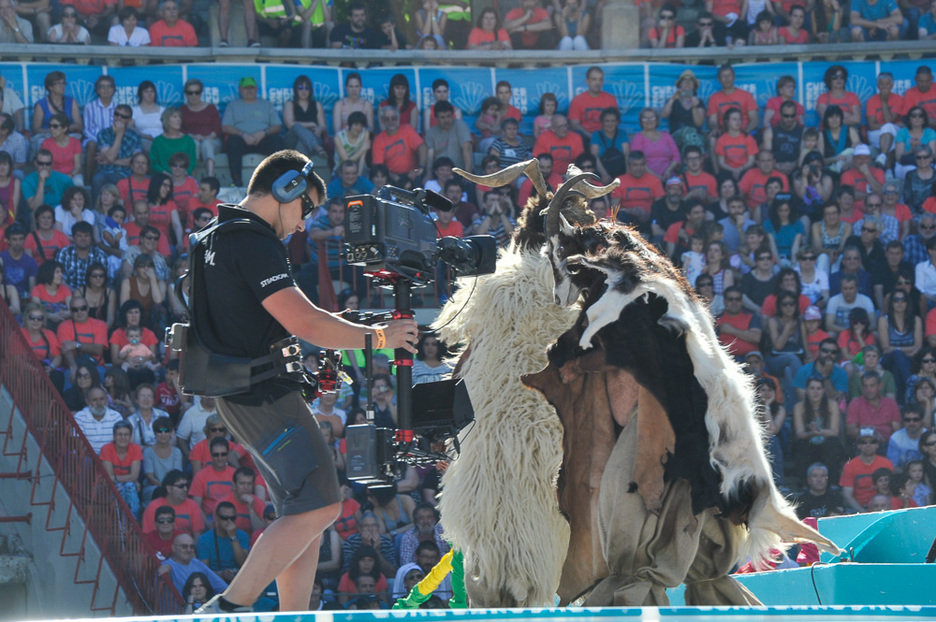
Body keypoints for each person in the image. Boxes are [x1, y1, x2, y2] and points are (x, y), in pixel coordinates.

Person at [190, 150, 416, 614]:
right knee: (323, 509)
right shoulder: (253, 241)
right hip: (264, 394)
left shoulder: (216, 236)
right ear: (285, 188)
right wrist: (379, 336)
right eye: (304, 208)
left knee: (303, 515)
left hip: (244, 392)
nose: (302, 225)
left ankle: (293, 615)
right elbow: (304, 323)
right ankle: (227, 609)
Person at [221, 78, 285, 188]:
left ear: (256, 89)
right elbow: (225, 127)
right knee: (232, 142)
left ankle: (277, 179)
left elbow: (277, 127)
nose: (249, 91)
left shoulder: (266, 104)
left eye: (251, 88)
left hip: (262, 139)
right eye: (246, 88)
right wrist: (243, 134)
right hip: (241, 139)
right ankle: (236, 181)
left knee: (277, 141)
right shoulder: (233, 105)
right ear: (240, 90)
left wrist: (263, 133)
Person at [793, 376, 846, 482]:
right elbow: (799, 434)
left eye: (819, 388)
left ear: (823, 391)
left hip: (827, 444)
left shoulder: (832, 405)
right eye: (812, 388)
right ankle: (803, 484)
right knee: (801, 444)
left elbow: (834, 432)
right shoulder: (799, 407)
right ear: (807, 391)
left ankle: (833, 483)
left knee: (833, 442)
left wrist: (818, 432)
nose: (815, 392)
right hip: (808, 444)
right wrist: (811, 433)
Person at [840, 427, 896, 511]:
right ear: (858, 446)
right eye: (863, 442)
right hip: (859, 507)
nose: (868, 445)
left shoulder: (887, 463)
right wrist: (863, 512)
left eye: (872, 442)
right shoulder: (850, 465)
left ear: (877, 445)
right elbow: (847, 495)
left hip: (882, 506)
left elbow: (892, 490)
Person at [197, 502, 250, 583]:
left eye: (232, 518)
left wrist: (233, 536)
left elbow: (243, 563)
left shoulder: (242, 536)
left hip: (239, 580)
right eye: (224, 517)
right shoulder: (204, 539)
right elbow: (204, 571)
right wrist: (220, 574)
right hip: (215, 581)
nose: (229, 521)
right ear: (216, 518)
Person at [159, 533, 228, 596]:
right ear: (174, 548)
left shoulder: (197, 563)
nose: (189, 550)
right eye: (184, 546)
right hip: (180, 608)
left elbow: (222, 587)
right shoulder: (166, 566)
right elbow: (165, 570)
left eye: (191, 547)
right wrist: (167, 568)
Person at [372, 107, 426, 186]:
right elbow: (379, 166)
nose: (391, 121)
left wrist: (420, 168)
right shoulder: (378, 140)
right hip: (391, 176)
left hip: (412, 174)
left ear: (398, 118)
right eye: (387, 119)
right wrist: (394, 177)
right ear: (383, 121)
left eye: (393, 118)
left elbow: (422, 147)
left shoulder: (407, 129)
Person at [143, 470, 206, 535]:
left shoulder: (193, 505)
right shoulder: (153, 507)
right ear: (169, 488)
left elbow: (198, 536)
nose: (185, 489)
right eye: (180, 486)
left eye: (186, 486)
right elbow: (149, 536)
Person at [283, 75, 327, 166]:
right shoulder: (290, 104)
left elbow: (323, 126)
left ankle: (299, 171)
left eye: (306, 88)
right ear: (296, 89)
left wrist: (319, 129)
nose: (303, 91)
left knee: (302, 143)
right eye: (300, 88)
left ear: (310, 90)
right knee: (296, 126)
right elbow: (290, 125)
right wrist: (311, 124)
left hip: (312, 137)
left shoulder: (317, 104)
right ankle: (317, 148)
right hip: (292, 139)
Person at [630, 108, 680, 180]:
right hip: (646, 178)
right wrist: (656, 178)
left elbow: (676, 157)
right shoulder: (638, 138)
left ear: (657, 120)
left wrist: (669, 170)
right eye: (645, 119)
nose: (649, 121)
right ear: (641, 121)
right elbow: (637, 160)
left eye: (652, 118)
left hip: (669, 177)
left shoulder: (667, 136)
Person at [73, 387, 124, 454]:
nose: (99, 403)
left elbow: (120, 443)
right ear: (87, 402)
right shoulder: (79, 417)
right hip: (87, 459)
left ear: (107, 400)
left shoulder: (116, 416)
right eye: (94, 400)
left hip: (110, 458)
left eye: (102, 399)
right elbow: (79, 448)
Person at [143, 416, 183, 502]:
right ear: (155, 433)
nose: (163, 434)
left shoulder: (177, 452)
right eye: (160, 431)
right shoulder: (148, 452)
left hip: (173, 487)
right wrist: (165, 487)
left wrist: (170, 488)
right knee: (159, 491)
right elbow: (150, 477)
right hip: (154, 488)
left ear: (171, 433)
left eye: (166, 431)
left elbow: (177, 476)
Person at [716, 285, 762, 360]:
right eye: (730, 299)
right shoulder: (717, 319)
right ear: (724, 301)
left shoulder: (752, 316)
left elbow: (756, 338)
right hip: (727, 359)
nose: (734, 302)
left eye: (738, 299)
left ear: (741, 301)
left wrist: (732, 330)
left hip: (751, 359)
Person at [427, 101, 473, 172]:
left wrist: (468, 173)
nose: (446, 120)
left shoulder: (460, 126)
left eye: (449, 116)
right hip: (439, 174)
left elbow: (467, 149)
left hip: (459, 172)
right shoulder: (431, 132)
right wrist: (428, 174)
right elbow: (430, 157)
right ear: (436, 118)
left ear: (453, 115)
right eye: (442, 117)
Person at [150, 108, 197, 176]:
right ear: (166, 120)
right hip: (163, 177)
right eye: (175, 117)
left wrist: (183, 175)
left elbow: (192, 163)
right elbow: (154, 163)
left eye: (179, 117)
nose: (178, 119)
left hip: (183, 178)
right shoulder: (158, 141)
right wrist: (166, 174)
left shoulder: (188, 140)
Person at [888, 404, 928, 469]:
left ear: (921, 421)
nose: (911, 423)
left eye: (915, 419)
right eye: (907, 420)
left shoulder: (929, 437)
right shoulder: (895, 438)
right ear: (903, 421)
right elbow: (893, 465)